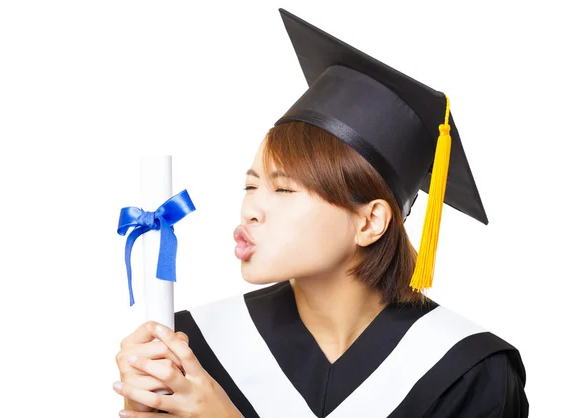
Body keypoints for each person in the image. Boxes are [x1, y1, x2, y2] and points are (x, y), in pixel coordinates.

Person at [114, 8, 529, 418]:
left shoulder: (469, 371)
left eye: (283, 189)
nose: (252, 209)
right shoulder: (192, 350)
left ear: (370, 222)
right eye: (250, 185)